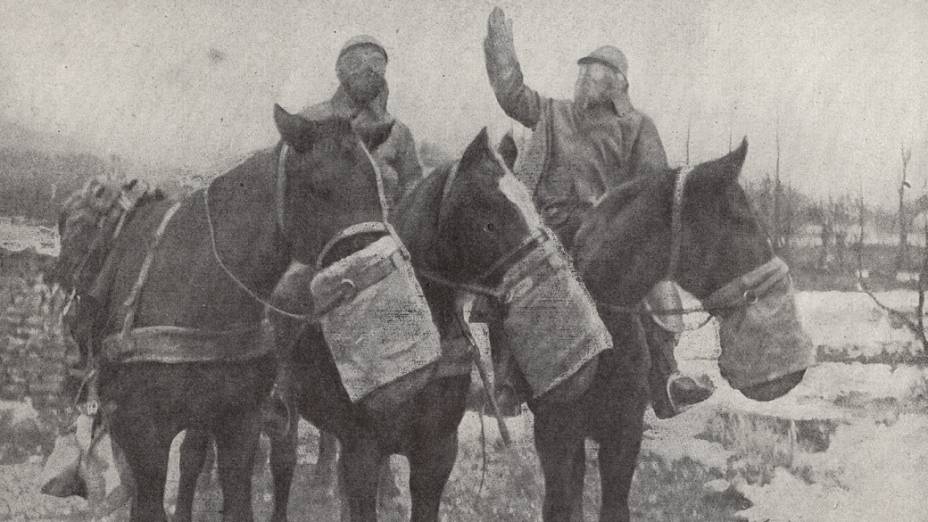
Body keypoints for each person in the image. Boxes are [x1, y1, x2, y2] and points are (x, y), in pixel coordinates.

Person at [483, 7, 712, 418]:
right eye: (582, 74)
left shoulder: (638, 127)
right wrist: (502, 56)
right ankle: (509, 380)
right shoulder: (553, 112)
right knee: (512, 282)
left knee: (646, 281)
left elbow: (654, 186)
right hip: (549, 225)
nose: (583, 82)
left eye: (593, 75)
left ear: (616, 85)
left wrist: (630, 223)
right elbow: (512, 95)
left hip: (607, 230)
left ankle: (667, 380)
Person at [300, 34, 423, 214]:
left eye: (376, 62)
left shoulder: (398, 131)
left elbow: (413, 184)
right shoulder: (312, 119)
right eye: (354, 62)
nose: (367, 69)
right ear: (339, 70)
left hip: (385, 232)